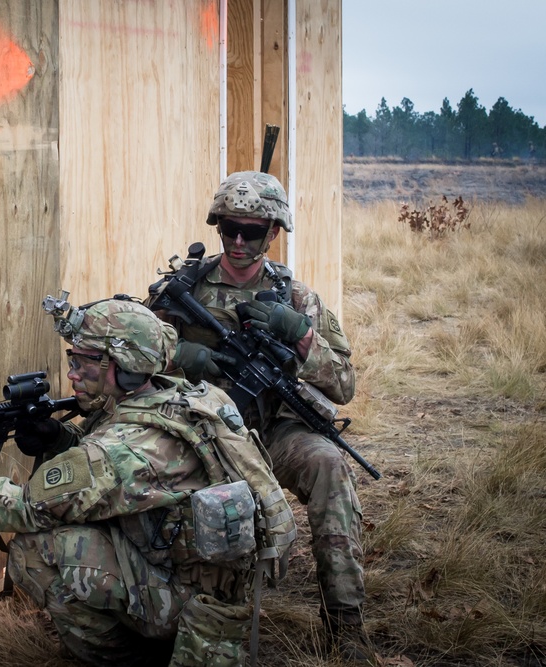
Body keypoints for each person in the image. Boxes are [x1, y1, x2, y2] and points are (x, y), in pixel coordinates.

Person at [0, 295, 293, 666]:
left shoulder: (123, 453)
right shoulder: (185, 396)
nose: (73, 373)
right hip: (206, 582)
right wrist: (61, 438)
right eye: (72, 360)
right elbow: (114, 469)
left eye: (82, 362)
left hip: (184, 601)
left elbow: (27, 508)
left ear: (122, 366)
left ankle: (122, 659)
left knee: (33, 550)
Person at [150, 170, 378, 663]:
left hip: (272, 430)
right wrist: (179, 357)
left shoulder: (296, 297)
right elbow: (131, 354)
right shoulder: (182, 291)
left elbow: (344, 384)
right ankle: (152, 613)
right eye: (228, 228)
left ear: (273, 233)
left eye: (251, 231)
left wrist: (299, 335)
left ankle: (346, 623)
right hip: (199, 434)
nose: (236, 240)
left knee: (329, 464)